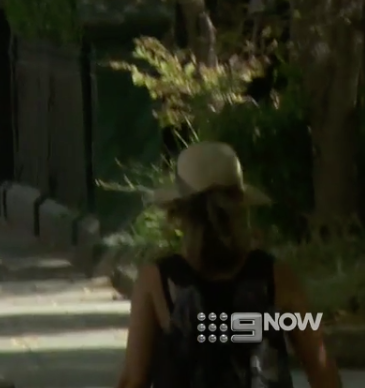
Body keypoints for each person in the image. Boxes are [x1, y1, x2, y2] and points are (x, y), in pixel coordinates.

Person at [117, 142, 340, 388]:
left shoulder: (158, 281)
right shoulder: (276, 277)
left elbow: (133, 380)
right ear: (240, 209)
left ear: (179, 214)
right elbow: (322, 371)